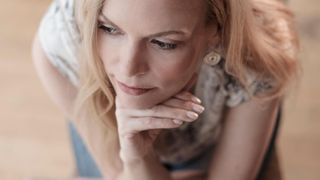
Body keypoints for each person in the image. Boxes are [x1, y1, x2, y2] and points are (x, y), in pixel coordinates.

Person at [31, 0, 299, 179]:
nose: (128, 68)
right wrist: (137, 157)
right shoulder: (61, 43)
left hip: (214, 140)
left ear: (215, 32)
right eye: (109, 28)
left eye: (164, 43)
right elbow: (117, 172)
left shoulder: (257, 59)